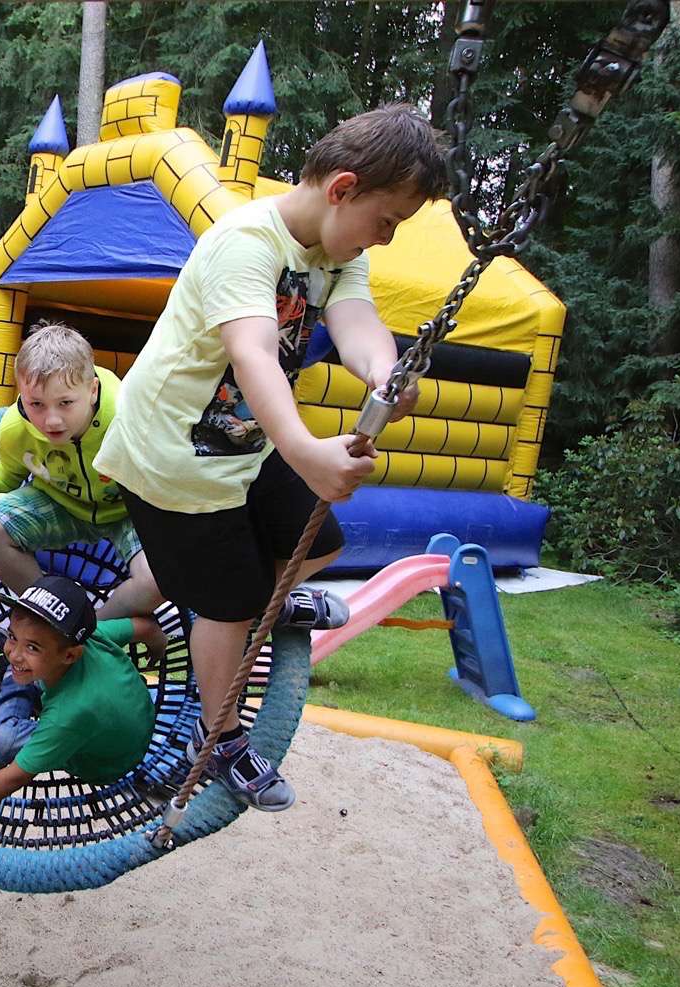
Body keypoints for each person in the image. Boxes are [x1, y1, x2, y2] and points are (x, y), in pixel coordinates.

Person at [95, 103, 447, 813]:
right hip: (172, 456)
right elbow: (253, 351)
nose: (385, 237)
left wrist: (384, 373)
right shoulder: (245, 244)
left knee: (320, 541)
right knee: (226, 609)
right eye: (386, 221)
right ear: (342, 188)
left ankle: (255, 601)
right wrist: (305, 451)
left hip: (241, 444)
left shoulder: (337, 254)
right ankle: (217, 735)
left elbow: (358, 324)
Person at [0, 324, 163, 643]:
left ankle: (82, 635)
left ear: (92, 390)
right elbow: (5, 475)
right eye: (36, 404)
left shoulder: (128, 416)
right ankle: (53, 617)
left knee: (158, 578)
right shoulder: (15, 428)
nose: (51, 420)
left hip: (128, 509)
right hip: (59, 503)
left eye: (65, 403)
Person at [0, 576, 158, 821]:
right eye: (12, 636)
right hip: (130, 718)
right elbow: (146, 628)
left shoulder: (68, 715)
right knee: (27, 668)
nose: (15, 653)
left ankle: (7, 676)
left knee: (1, 742)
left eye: (32, 647)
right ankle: (16, 670)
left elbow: (17, 775)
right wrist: (160, 644)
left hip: (103, 762)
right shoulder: (92, 636)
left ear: (71, 655)